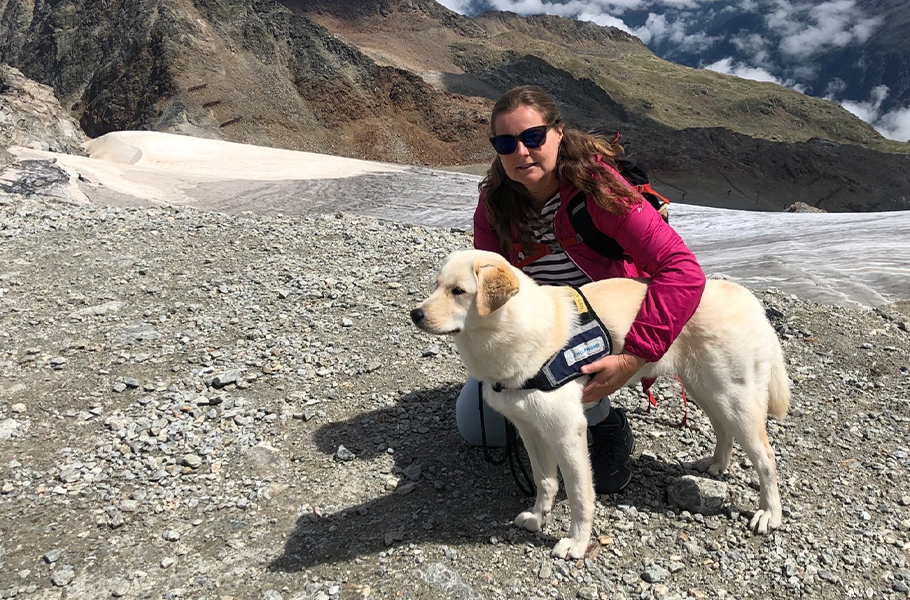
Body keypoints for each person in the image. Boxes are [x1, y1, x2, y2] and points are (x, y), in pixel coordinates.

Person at [456, 85, 706, 494]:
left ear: (557, 133)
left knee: (554, 399)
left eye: (533, 137)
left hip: (601, 323)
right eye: (505, 143)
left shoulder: (600, 191)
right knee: (478, 428)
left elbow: (682, 270)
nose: (521, 152)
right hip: (535, 325)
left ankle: (606, 425)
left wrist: (634, 357)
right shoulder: (494, 204)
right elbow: (488, 285)